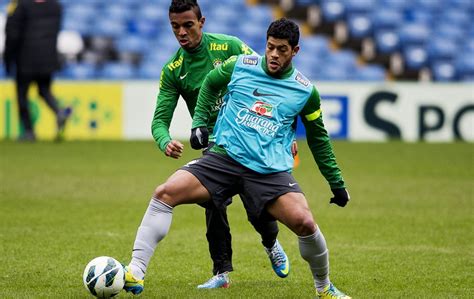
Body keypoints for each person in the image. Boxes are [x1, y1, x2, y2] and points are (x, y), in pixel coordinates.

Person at [122, 17, 352, 298]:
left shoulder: (306, 91)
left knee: (304, 222)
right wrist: (199, 123)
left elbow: (319, 139)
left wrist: (336, 183)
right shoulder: (240, 66)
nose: (274, 55)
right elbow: (209, 83)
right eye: (270, 47)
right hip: (224, 159)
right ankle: (135, 272)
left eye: (282, 49)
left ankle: (324, 288)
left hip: (268, 171)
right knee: (165, 193)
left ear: (295, 51)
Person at [133, 0, 290, 291]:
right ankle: (221, 272)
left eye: (188, 25)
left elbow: (267, 81)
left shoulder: (228, 47)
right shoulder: (173, 70)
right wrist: (165, 142)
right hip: (216, 148)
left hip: (251, 140)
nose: (181, 32)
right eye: (175, 27)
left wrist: (283, 135)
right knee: (212, 203)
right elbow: (159, 121)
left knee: (259, 209)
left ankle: (271, 243)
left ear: (201, 22)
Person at [3, 0, 69, 141]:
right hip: (48, 57)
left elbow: (12, 33)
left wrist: (8, 59)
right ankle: (59, 110)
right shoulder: (55, 6)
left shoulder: (21, 6)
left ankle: (28, 131)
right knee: (44, 90)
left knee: (22, 95)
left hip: (25, 58)